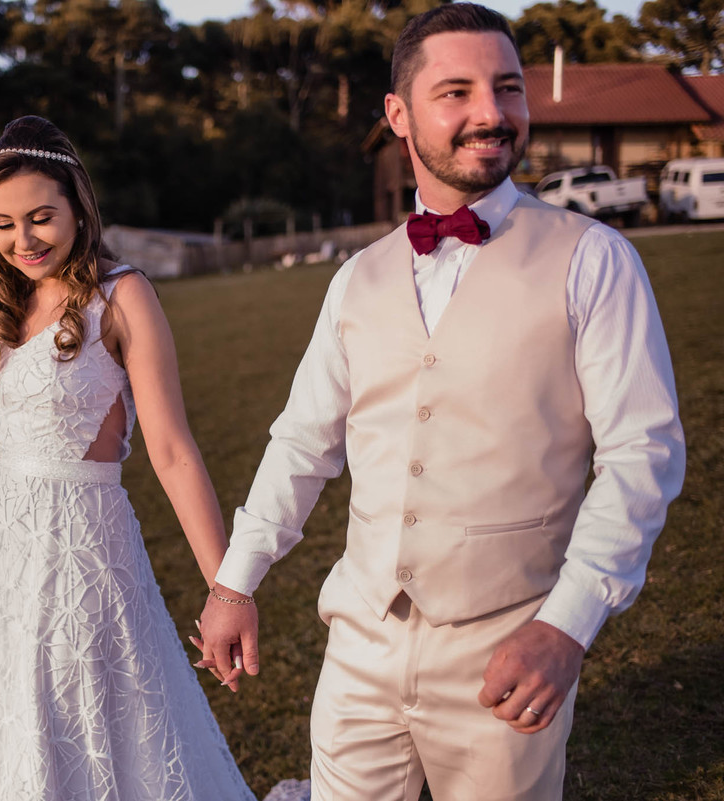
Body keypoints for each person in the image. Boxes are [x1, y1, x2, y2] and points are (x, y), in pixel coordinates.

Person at [197, 5, 686, 799]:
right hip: (360, 643)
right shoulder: (356, 279)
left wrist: (566, 624)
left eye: (508, 89)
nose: (491, 113)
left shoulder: (594, 260)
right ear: (399, 114)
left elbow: (642, 455)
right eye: (456, 91)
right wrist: (234, 581)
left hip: (509, 643)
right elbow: (303, 444)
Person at [0, 115, 256, 801]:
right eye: (2, 224)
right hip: (3, 550)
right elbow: (12, 434)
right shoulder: (6, 302)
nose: (23, 240)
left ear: (79, 205)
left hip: (84, 548)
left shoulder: (124, 293)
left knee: (95, 718)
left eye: (40, 217)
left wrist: (227, 588)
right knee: (11, 714)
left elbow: (171, 451)